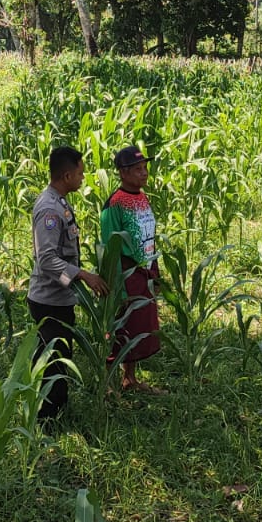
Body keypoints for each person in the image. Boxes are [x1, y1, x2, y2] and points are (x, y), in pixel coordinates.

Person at [27, 145, 108, 420]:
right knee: (52, 361)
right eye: (80, 173)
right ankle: (46, 420)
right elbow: (47, 260)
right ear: (66, 175)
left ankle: (56, 413)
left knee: (59, 356)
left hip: (59, 298)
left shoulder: (59, 202)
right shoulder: (49, 209)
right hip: (48, 301)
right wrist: (82, 275)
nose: (83, 178)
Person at [99, 144, 164, 394]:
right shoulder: (114, 204)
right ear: (123, 172)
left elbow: (149, 236)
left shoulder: (142, 197)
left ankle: (130, 378)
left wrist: (155, 270)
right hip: (126, 274)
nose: (144, 173)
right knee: (120, 326)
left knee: (138, 326)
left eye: (145, 168)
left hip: (144, 271)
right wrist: (119, 288)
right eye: (138, 169)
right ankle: (108, 384)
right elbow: (111, 247)